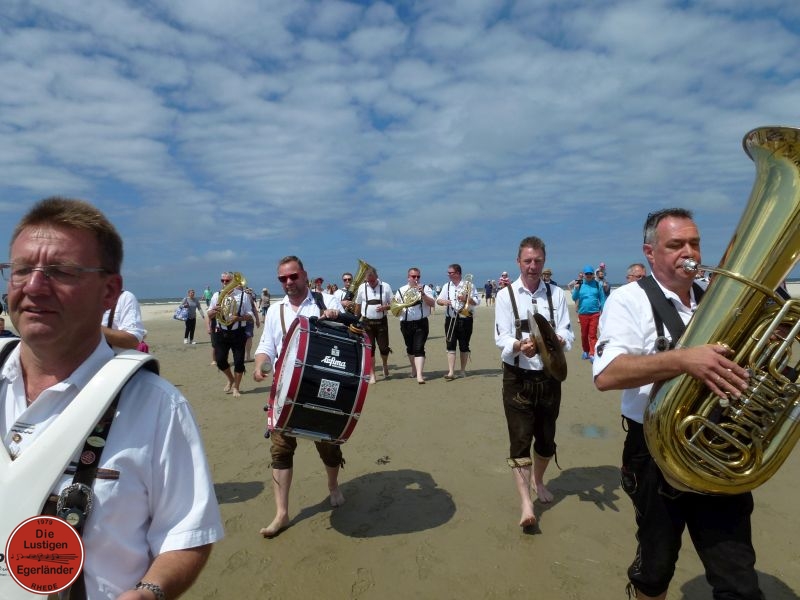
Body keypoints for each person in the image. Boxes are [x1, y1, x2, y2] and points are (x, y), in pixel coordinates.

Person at [0, 197, 223, 599]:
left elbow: (187, 533)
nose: (33, 286)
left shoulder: (157, 406)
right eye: (21, 270)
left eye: (60, 271)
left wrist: (149, 592)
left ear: (109, 292)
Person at [593, 208, 762, 600]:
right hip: (655, 451)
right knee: (655, 569)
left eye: (695, 243)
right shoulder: (627, 300)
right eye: (676, 245)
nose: (690, 253)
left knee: (738, 576)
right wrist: (684, 360)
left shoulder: (717, 299)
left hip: (720, 447)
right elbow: (607, 375)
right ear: (650, 252)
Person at [252, 256, 345, 538]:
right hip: (285, 389)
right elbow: (266, 346)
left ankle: (332, 486)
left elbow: (350, 336)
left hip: (322, 386)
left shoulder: (327, 301)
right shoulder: (275, 310)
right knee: (280, 449)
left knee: (328, 445)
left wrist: (337, 318)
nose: (288, 282)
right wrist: (260, 365)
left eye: (293, 276)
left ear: (305, 275)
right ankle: (281, 513)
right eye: (283, 278)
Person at [494, 235, 574, 529]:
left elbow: (567, 330)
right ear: (518, 262)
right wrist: (518, 345)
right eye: (527, 260)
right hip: (517, 378)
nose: (532, 266)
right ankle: (526, 504)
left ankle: (538, 480)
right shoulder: (506, 296)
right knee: (520, 440)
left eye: (537, 261)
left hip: (549, 379)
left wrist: (560, 339)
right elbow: (501, 337)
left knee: (546, 440)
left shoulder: (556, 294)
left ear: (544, 262)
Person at [208, 272, 255, 397]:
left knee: (239, 362)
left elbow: (250, 314)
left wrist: (239, 318)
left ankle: (236, 388)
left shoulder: (243, 295)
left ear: (233, 281)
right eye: (222, 280)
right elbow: (209, 314)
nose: (224, 283)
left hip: (238, 333)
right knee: (220, 360)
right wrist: (214, 311)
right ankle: (231, 379)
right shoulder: (216, 295)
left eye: (227, 281)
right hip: (221, 332)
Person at [437, 264, 481, 380]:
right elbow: (438, 300)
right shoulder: (446, 286)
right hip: (450, 318)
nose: (448, 275)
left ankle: (462, 370)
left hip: (465, 318)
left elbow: (477, 301)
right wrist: (444, 302)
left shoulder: (469, 285)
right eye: (448, 273)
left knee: (464, 345)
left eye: (450, 273)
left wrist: (466, 299)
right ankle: (451, 372)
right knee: (450, 344)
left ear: (458, 273)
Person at [393, 267, 436, 384]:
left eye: (418, 276)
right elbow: (395, 308)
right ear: (408, 277)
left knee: (419, 348)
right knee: (410, 348)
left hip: (421, 323)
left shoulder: (425, 288)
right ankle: (414, 368)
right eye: (413, 276)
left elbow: (432, 303)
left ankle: (419, 375)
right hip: (406, 323)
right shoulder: (401, 290)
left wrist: (423, 294)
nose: (416, 278)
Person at [354, 266, 393, 383]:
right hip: (367, 323)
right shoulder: (362, 287)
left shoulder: (385, 286)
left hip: (381, 322)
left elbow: (393, 304)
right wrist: (355, 318)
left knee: (384, 348)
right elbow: (358, 304)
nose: (371, 283)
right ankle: (372, 374)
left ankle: (385, 364)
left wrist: (385, 307)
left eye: (372, 280)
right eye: (368, 281)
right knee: (370, 348)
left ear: (377, 277)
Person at [572, 265, 606, 361]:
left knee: (592, 334)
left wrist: (603, 310)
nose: (589, 275)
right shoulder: (580, 284)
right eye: (587, 274)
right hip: (583, 313)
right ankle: (586, 351)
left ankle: (592, 353)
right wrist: (576, 289)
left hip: (595, 313)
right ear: (584, 274)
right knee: (584, 334)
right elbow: (574, 298)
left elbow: (602, 298)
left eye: (590, 273)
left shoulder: (597, 284)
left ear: (593, 274)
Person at [243, 287, 261, 362]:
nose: (248, 293)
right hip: (241, 320)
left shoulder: (248, 297)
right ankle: (247, 356)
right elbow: (254, 309)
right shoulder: (248, 297)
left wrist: (257, 320)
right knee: (247, 338)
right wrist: (257, 320)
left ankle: (247, 356)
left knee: (248, 337)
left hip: (247, 320)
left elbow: (254, 309)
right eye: (247, 291)